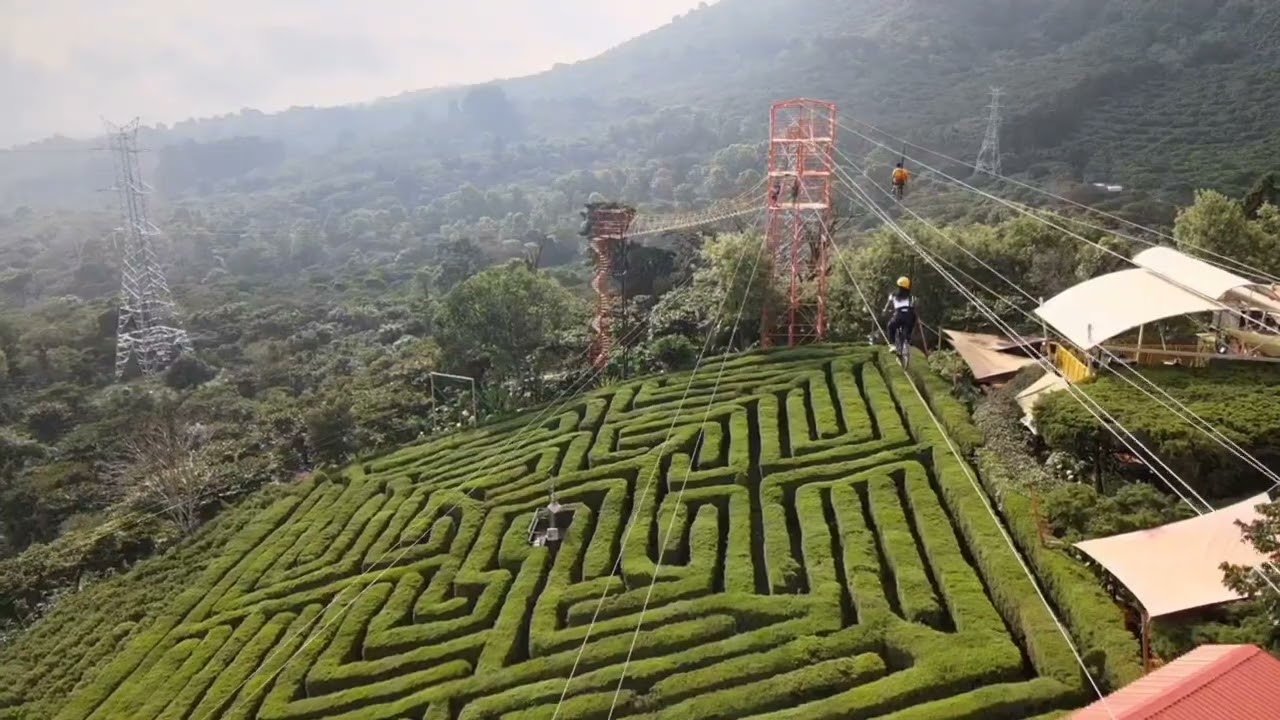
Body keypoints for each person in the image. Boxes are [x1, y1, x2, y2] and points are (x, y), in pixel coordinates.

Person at [883, 276, 916, 346]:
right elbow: (913, 306)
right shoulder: (911, 296)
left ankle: (892, 344)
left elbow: (887, 305)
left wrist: (885, 311)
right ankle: (908, 338)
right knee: (910, 325)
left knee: (890, 326)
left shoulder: (893, 295)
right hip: (909, 316)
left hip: (898, 315)